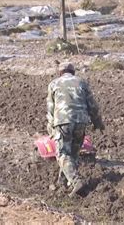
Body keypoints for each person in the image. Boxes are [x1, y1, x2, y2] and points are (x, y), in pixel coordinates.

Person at [46, 62, 104, 197]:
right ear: (73, 72)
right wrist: (98, 123)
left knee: (62, 154)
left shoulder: (54, 84)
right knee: (73, 153)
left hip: (62, 121)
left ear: (60, 72)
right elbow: (92, 105)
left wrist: (51, 129)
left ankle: (76, 181)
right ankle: (63, 183)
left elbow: (50, 109)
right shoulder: (82, 82)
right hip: (81, 121)